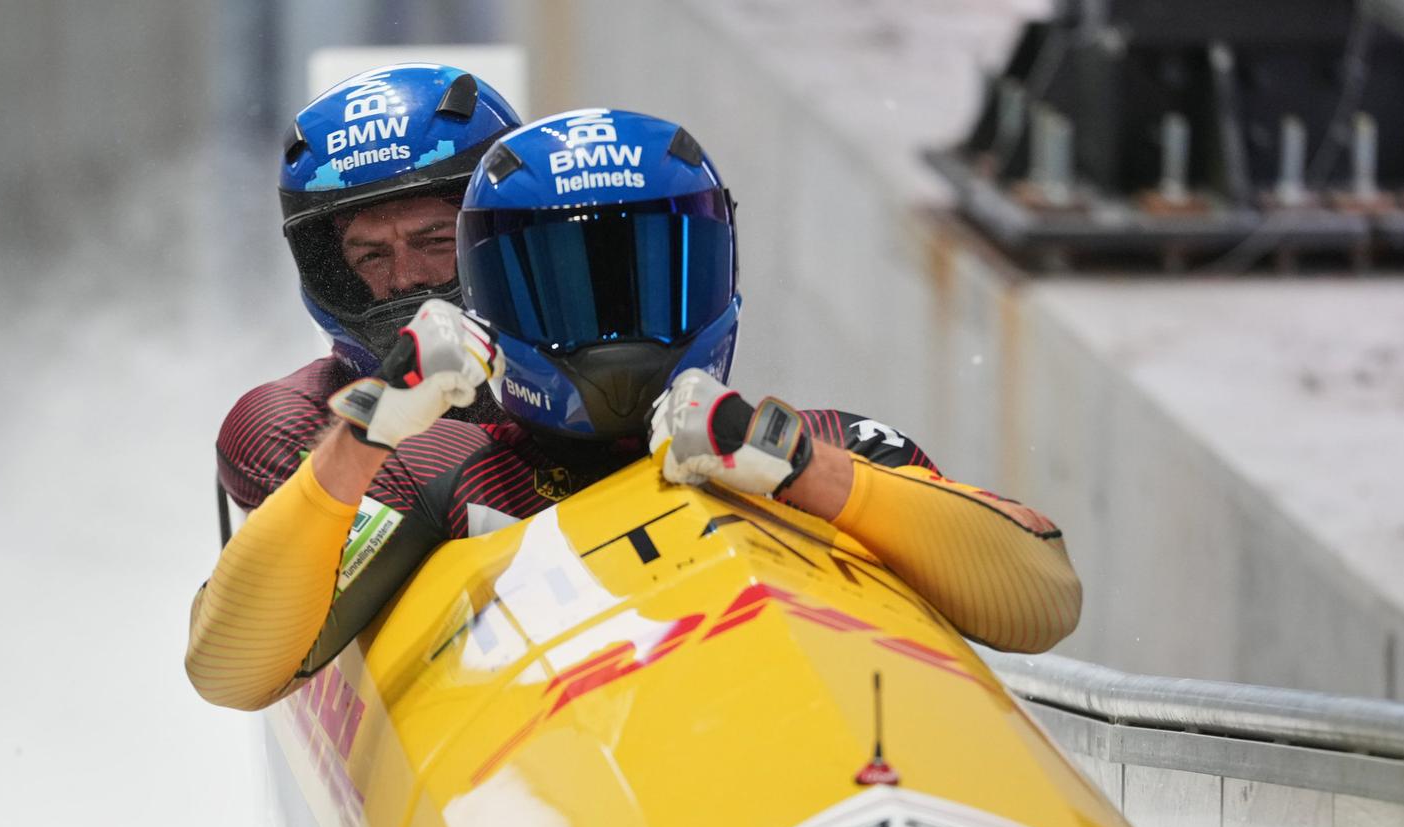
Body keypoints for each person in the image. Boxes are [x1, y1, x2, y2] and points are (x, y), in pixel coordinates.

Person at [186, 109, 1082, 711]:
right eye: (563, 291)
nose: (612, 333)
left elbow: (1041, 600)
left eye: (643, 280)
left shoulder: (813, 444)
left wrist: (795, 469)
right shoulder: (438, 473)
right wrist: (369, 428)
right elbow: (233, 668)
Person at [215, 63, 521, 512]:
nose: (405, 278)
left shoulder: (591, 383)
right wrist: (371, 427)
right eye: (371, 256)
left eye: (434, 242)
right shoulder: (286, 424)